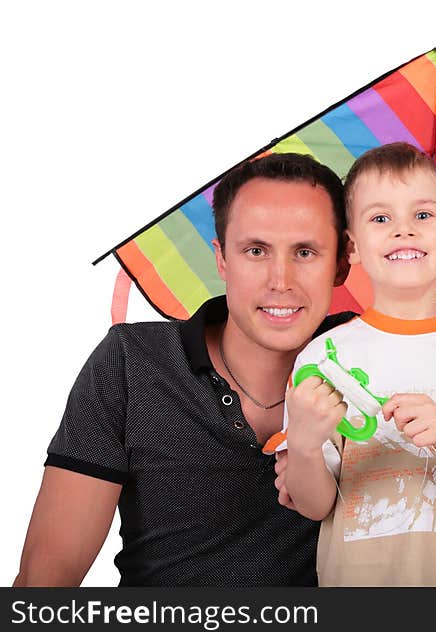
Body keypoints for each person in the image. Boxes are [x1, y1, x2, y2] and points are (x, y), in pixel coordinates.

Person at [13, 153, 353, 586]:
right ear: (222, 260)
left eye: (305, 251)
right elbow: (47, 575)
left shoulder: (376, 361)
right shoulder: (132, 363)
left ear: (342, 261)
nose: (280, 279)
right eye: (255, 251)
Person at [276, 142, 436, 586]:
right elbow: (315, 506)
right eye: (380, 219)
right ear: (352, 247)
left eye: (423, 215)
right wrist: (301, 444)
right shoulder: (322, 359)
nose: (403, 231)